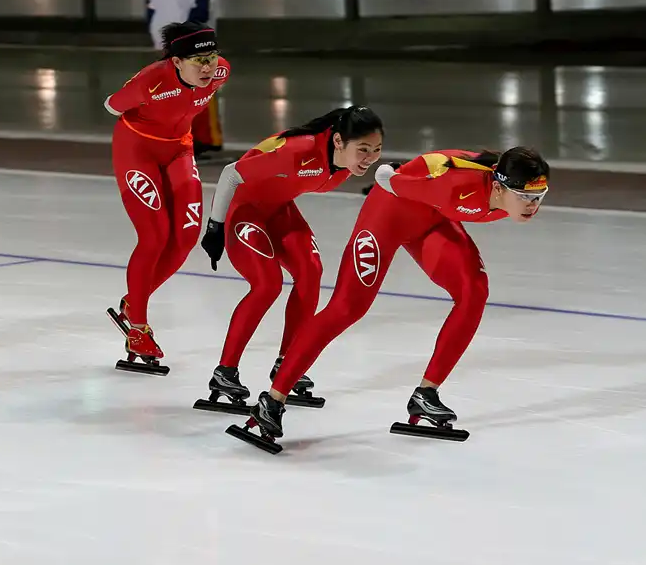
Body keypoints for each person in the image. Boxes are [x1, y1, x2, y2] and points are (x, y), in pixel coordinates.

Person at [229, 146, 550, 452]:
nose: (532, 206)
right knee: (346, 308)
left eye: (539, 197)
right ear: (498, 186)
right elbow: (390, 177)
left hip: (432, 220)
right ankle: (271, 401)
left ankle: (426, 395)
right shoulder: (456, 186)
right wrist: (391, 172)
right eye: (525, 197)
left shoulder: (501, 195)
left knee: (474, 292)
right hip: (387, 214)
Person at [194, 106, 384, 413]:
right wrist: (215, 227)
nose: (369, 158)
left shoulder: (347, 162)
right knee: (267, 284)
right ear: (338, 141)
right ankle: (225, 371)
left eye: (376, 150)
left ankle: (287, 364)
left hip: (278, 209)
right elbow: (231, 174)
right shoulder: (299, 151)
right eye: (363, 149)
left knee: (311, 271)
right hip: (244, 208)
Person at [103, 20, 231, 374]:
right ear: (175, 61)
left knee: (186, 236)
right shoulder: (151, 79)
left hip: (179, 149)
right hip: (136, 150)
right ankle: (138, 329)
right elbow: (113, 105)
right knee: (155, 235)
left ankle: (133, 302)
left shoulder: (221, 72)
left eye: (212, 58)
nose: (208, 68)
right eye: (197, 61)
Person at [145, 0, 224, 157]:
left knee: (199, 85)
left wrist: (191, 30)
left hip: (192, 33)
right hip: (163, 31)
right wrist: (153, 23)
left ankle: (204, 138)